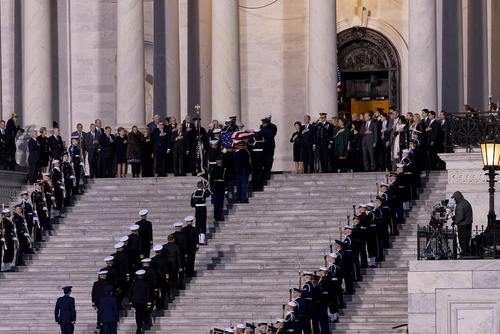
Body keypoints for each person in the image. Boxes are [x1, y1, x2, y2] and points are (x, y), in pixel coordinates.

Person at [129, 269, 152, 334]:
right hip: (143, 302)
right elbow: (148, 294)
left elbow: (130, 293)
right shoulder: (146, 284)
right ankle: (141, 324)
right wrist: (149, 303)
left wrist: (130, 301)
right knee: (142, 312)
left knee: (138, 313)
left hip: (135, 302)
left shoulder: (133, 284)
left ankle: (139, 325)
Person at [451, 191, 473, 256]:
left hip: (463, 226)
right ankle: (466, 252)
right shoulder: (466, 202)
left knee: (462, 240)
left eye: (455, 198)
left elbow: (460, 217)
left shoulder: (460, 205)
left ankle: (464, 253)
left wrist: (455, 222)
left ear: (458, 197)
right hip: (468, 224)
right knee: (466, 240)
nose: (454, 200)